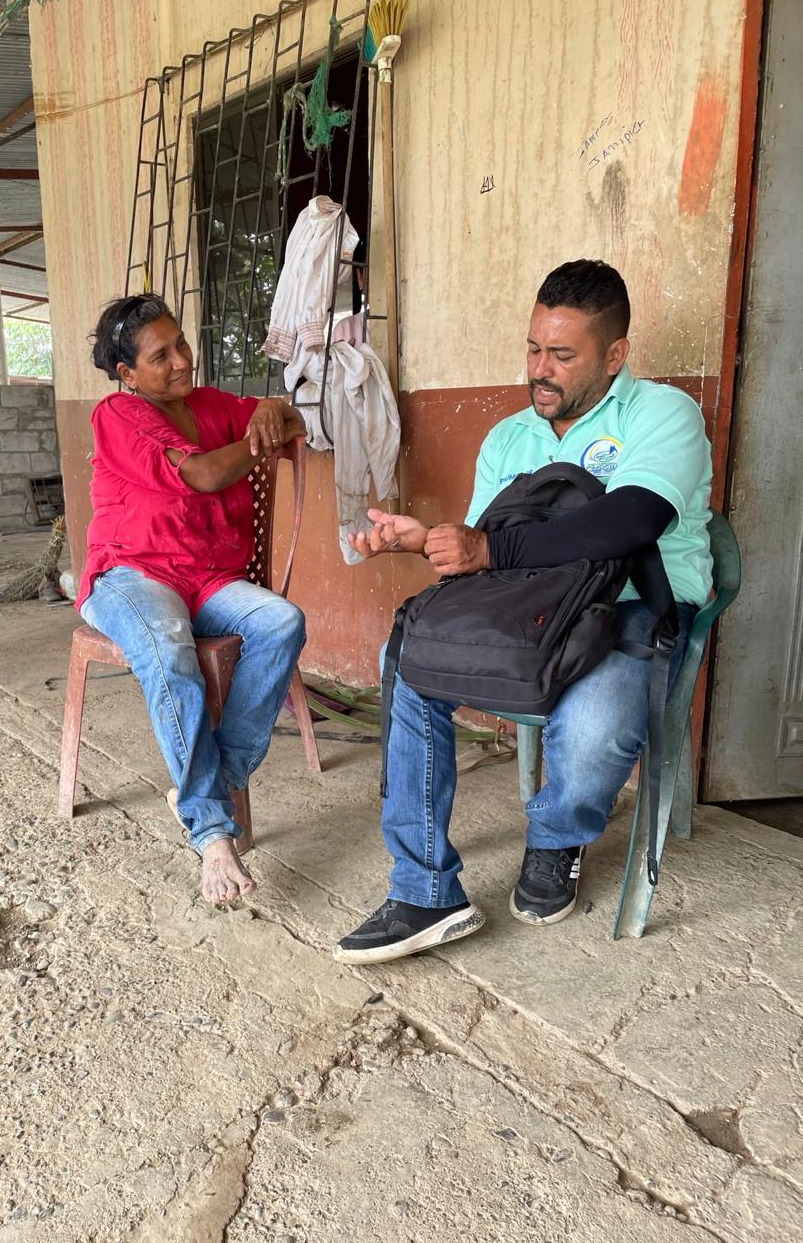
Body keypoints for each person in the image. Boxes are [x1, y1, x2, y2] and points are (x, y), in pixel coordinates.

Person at [334, 260, 712, 965]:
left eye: (562, 355)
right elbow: (487, 551)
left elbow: (632, 519)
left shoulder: (662, 414)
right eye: (534, 348)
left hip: (632, 608)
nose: (540, 369)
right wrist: (430, 541)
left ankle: (556, 837)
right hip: (529, 608)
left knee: (594, 726)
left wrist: (489, 549)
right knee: (404, 657)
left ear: (615, 355)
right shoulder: (511, 436)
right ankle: (424, 889)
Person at [78, 293, 307, 904]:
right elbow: (203, 475)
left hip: (205, 579)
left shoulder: (211, 405)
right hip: (132, 573)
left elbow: (291, 420)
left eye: (180, 343)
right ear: (127, 373)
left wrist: (271, 406)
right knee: (168, 645)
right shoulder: (117, 415)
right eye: (160, 356)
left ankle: (208, 781)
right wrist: (262, 435)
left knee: (281, 622)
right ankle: (211, 832)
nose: (182, 360)